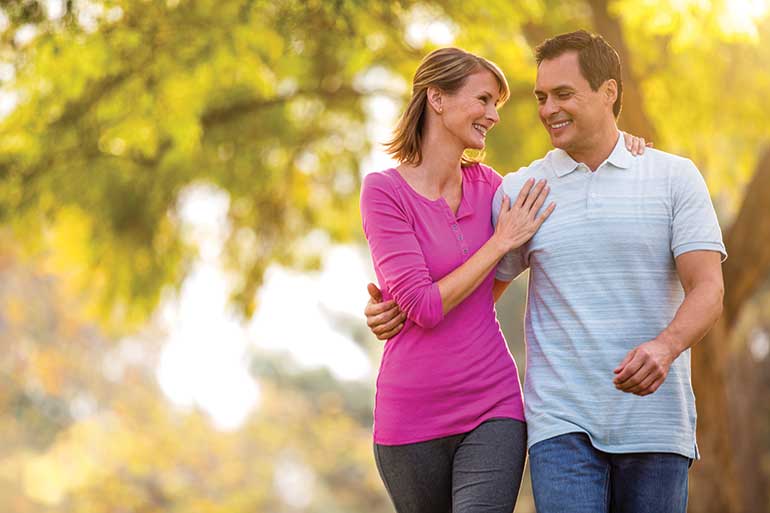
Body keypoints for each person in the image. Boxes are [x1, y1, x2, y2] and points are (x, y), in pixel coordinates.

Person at [365, 31, 725, 513]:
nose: (546, 108)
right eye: (541, 97)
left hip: (651, 421)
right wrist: (397, 306)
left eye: (563, 94)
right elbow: (458, 291)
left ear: (609, 93)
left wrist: (665, 347)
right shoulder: (521, 190)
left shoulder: (668, 177)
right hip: (558, 423)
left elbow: (708, 288)